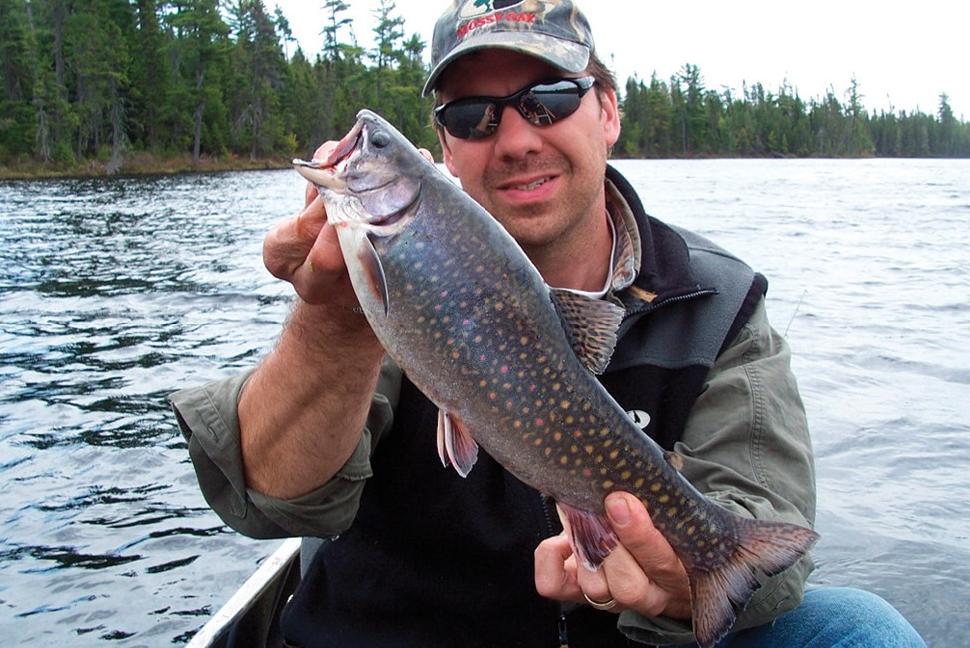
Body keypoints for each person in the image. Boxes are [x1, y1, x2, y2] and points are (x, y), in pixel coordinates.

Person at [170, 1, 926, 646]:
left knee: (862, 627)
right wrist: (330, 325)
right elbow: (272, 499)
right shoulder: (394, 282)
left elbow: (771, 548)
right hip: (394, 629)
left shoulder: (715, 303)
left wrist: (671, 580)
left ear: (606, 110)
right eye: (473, 115)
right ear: (444, 150)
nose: (518, 138)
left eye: (550, 98)